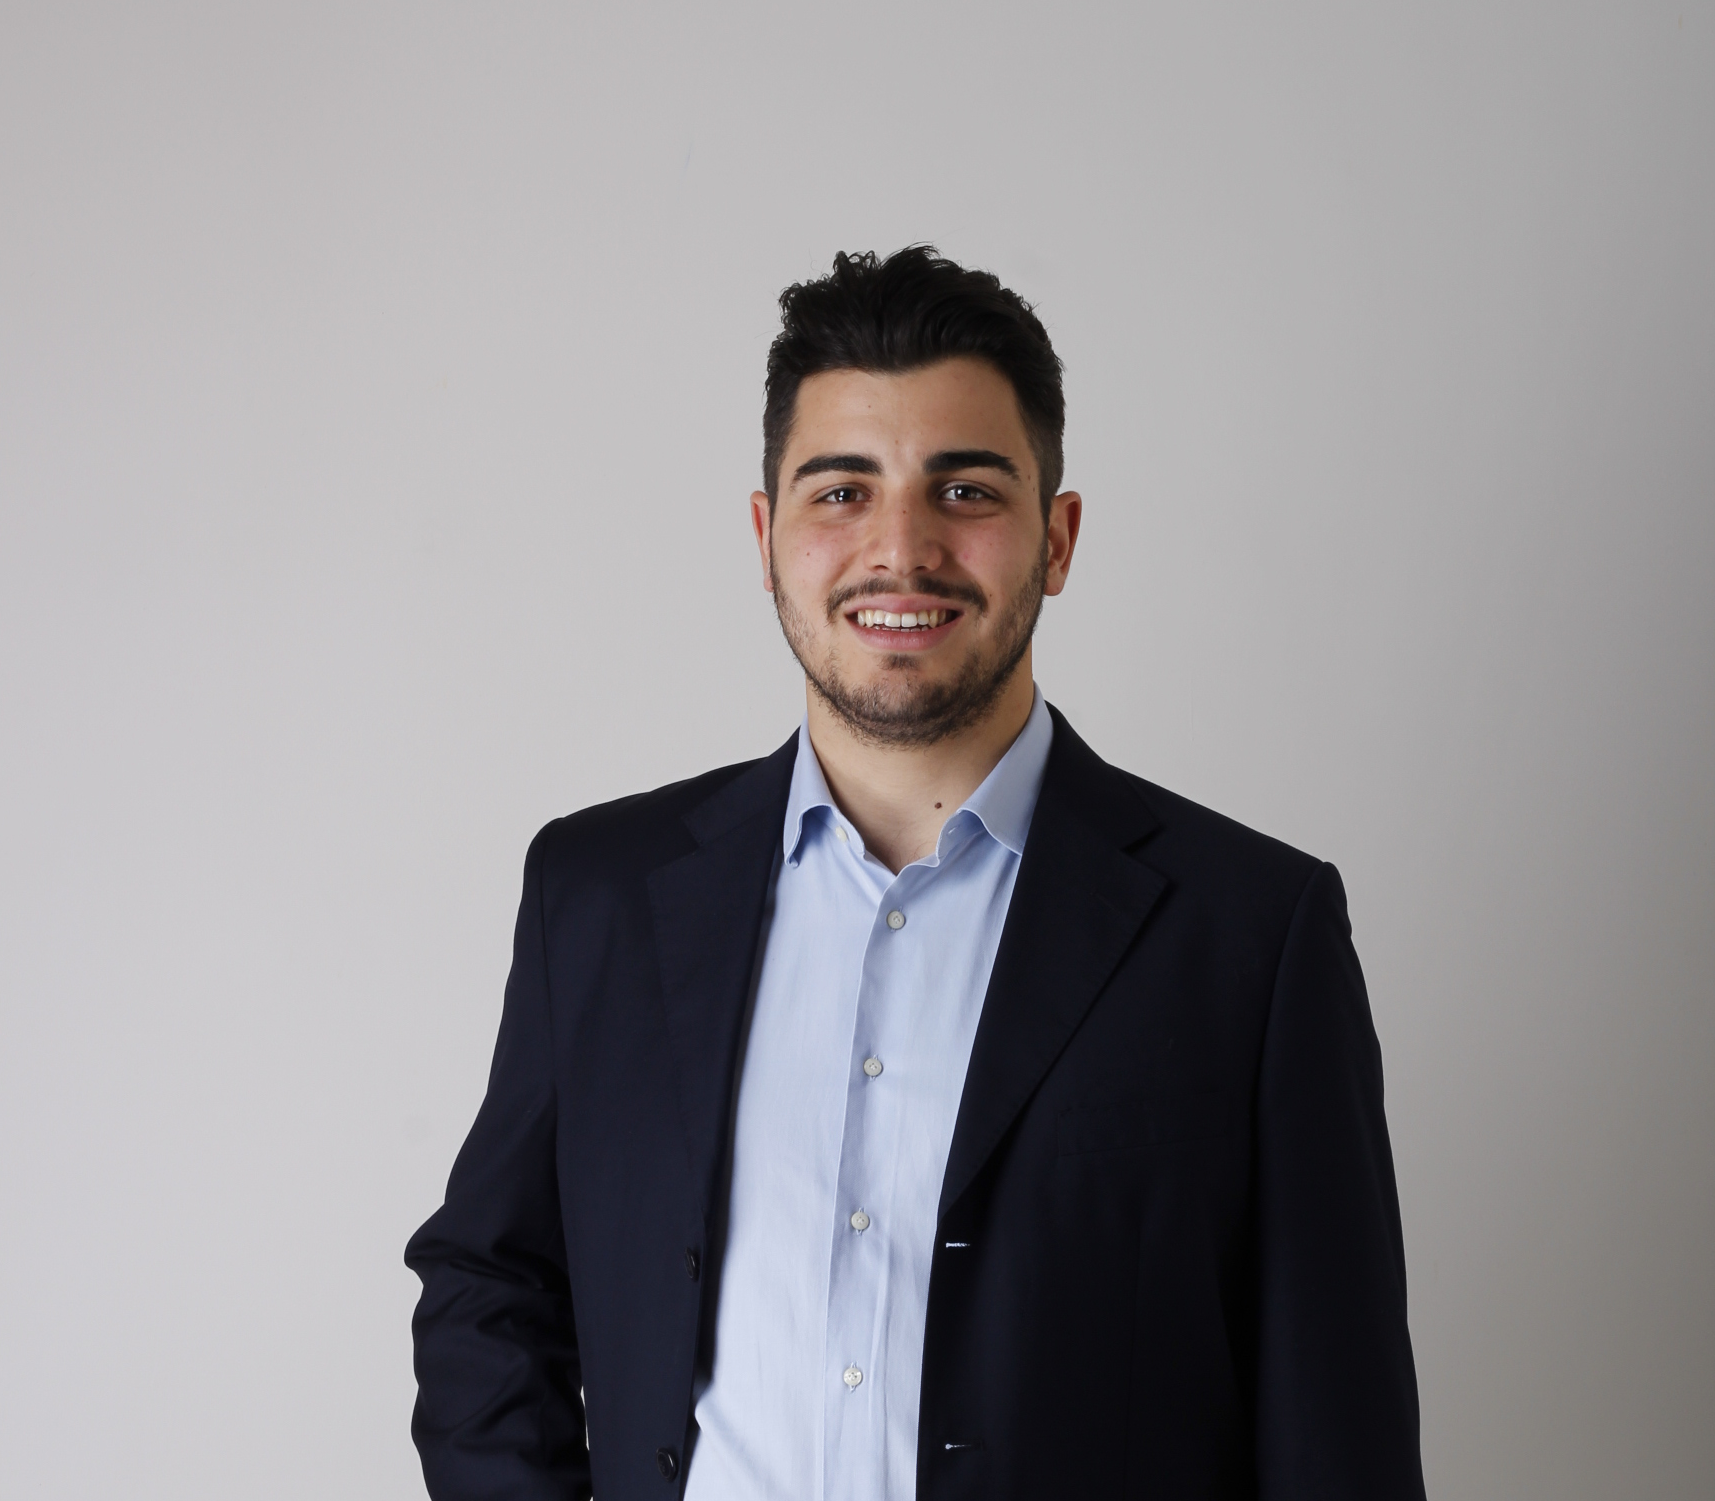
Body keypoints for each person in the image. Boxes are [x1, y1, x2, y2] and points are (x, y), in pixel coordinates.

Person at [405, 246, 1427, 1501]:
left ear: (1056, 538)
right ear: (766, 536)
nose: (900, 548)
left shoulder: (1249, 936)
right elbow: (490, 1284)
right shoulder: (599, 896)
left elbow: (1335, 1432)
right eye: (841, 490)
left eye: (965, 489)